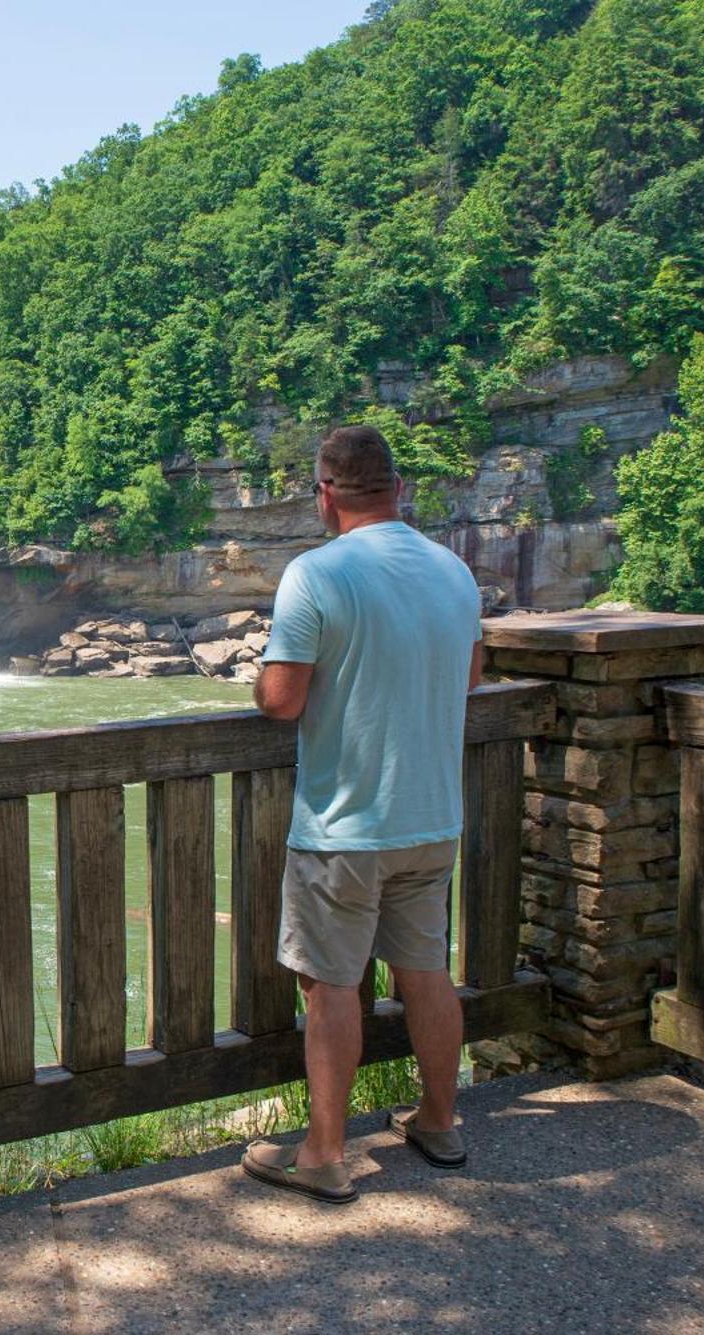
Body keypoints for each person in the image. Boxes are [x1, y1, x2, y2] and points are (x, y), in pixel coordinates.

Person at [240, 424, 483, 1205]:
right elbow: (471, 673)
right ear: (398, 487)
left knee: (331, 985)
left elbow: (281, 701)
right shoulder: (453, 570)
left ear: (325, 492)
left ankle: (323, 1153)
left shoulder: (315, 573)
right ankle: (440, 1120)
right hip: (432, 816)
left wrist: (257, 680)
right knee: (426, 971)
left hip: (344, 825)